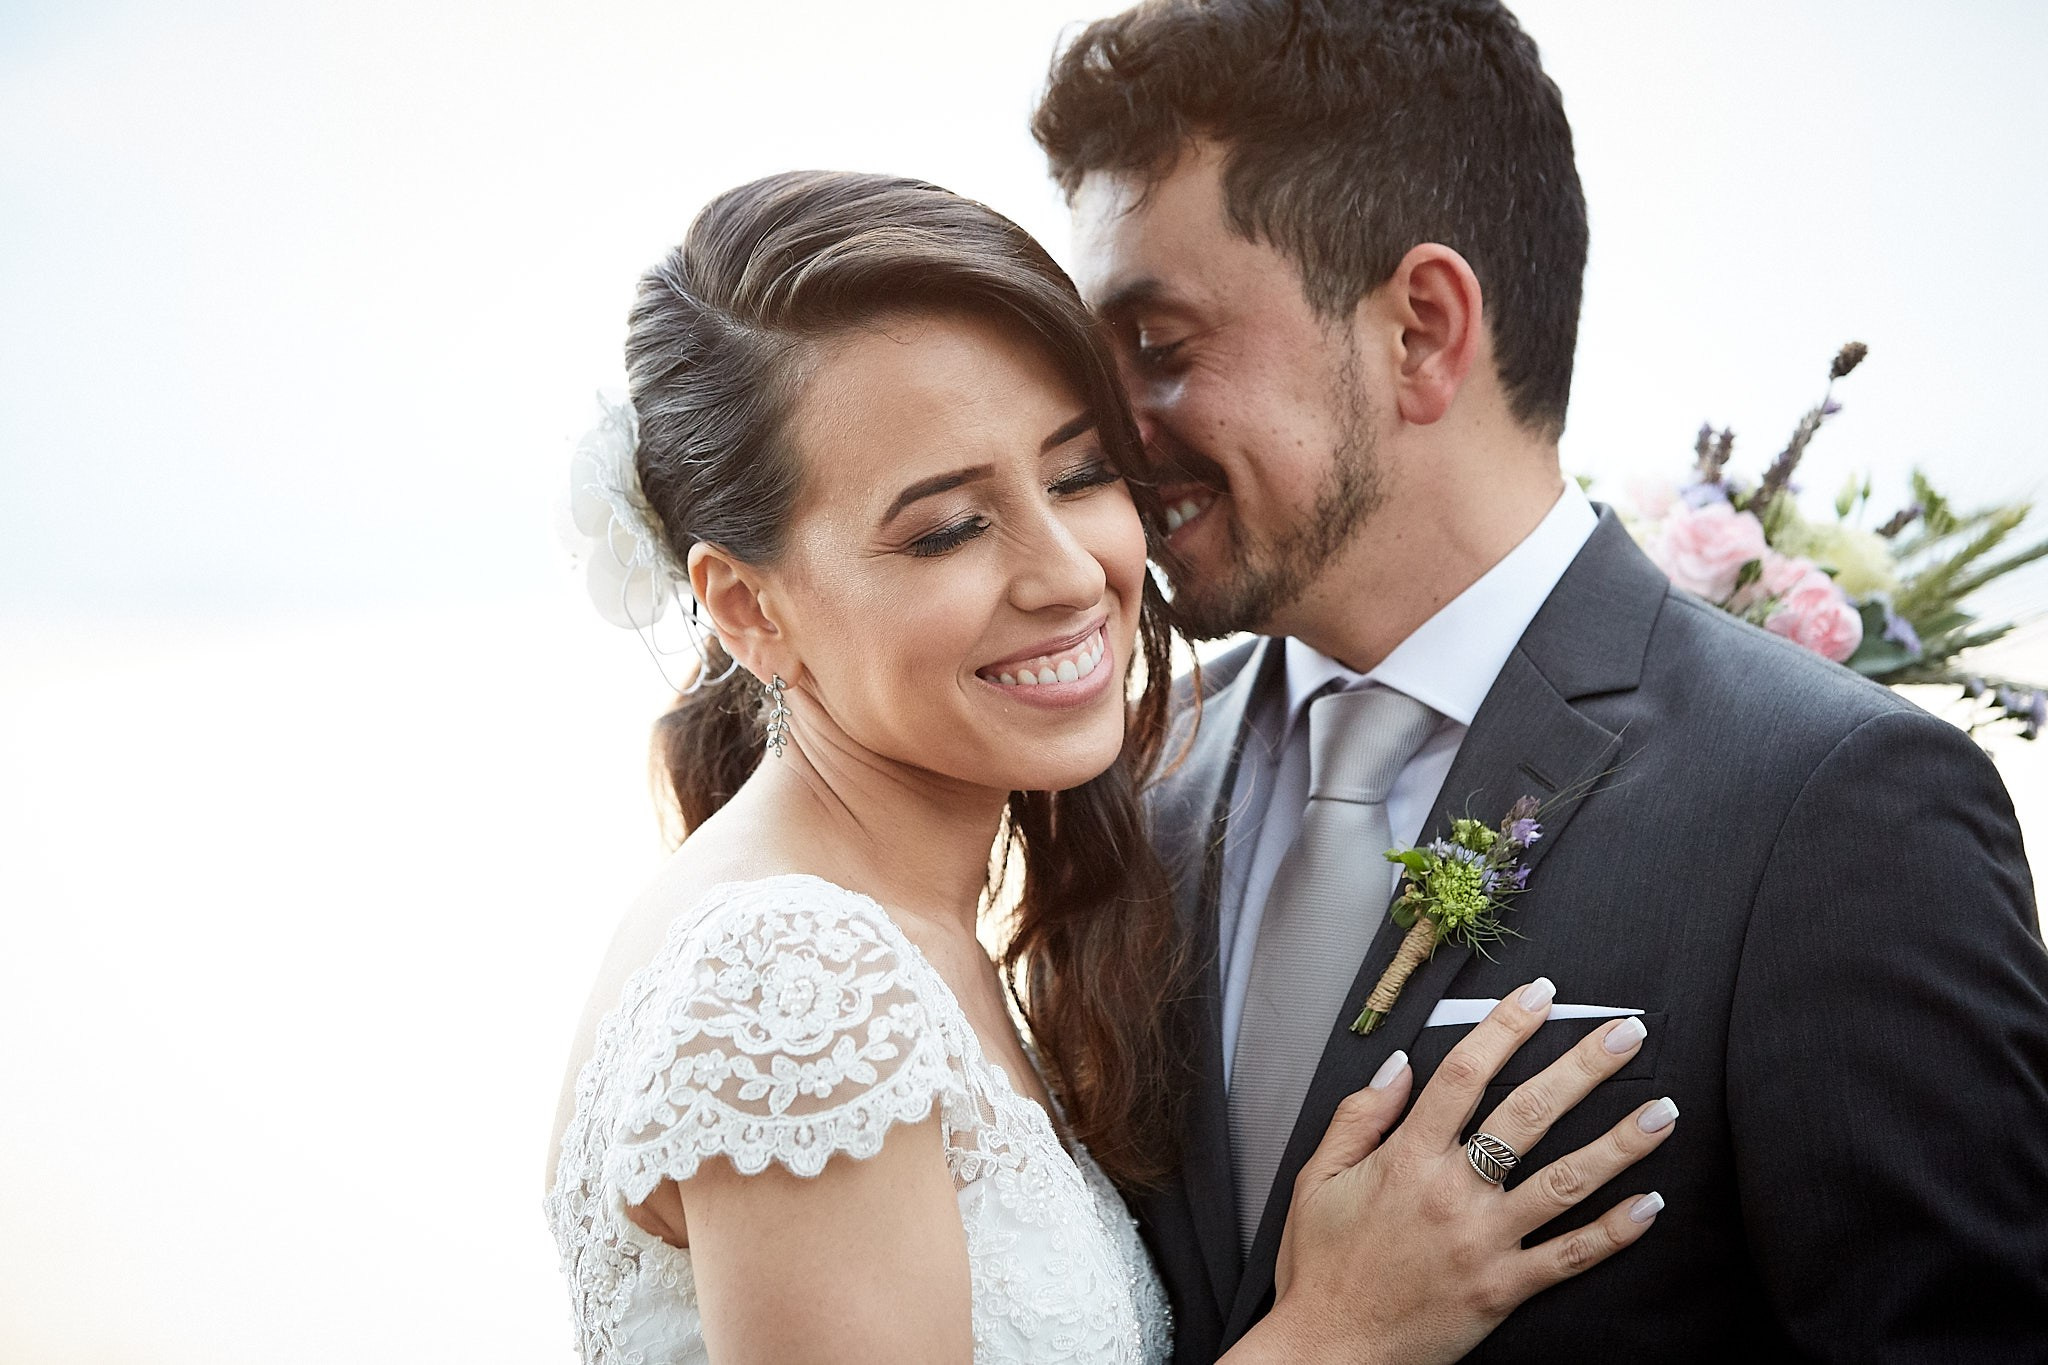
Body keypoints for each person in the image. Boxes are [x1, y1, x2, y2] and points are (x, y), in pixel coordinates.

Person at [1032, 1, 2048, 1361]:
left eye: (1158, 347)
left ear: (1423, 330)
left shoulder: (1832, 806)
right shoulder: (1122, 787)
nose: (1107, 428)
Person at [542, 170, 1678, 1364]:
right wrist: (1340, 1332)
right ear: (746, 606)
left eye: (1078, 475)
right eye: (947, 529)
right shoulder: (795, 977)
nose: (1068, 574)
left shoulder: (890, 925)